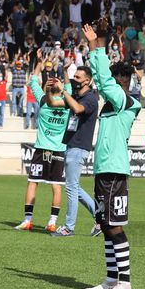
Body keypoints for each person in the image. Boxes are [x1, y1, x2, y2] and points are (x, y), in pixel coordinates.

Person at [81, 21, 141, 289]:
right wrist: (95, 48)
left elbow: (104, 79)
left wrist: (97, 45)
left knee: (115, 225)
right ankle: (110, 279)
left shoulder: (127, 101)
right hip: (103, 169)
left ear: (122, 83)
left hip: (116, 171)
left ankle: (125, 284)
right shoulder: (111, 103)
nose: (108, 87)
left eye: (115, 83)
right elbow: (103, 80)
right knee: (104, 225)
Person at [15, 60, 70, 233]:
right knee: (56, 186)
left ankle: (28, 220)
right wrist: (66, 73)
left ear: (47, 88)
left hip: (41, 148)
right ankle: (52, 222)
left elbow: (32, 81)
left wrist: (38, 63)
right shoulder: (67, 103)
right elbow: (69, 88)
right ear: (60, 89)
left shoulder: (44, 101)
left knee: (33, 182)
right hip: (59, 149)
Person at [53, 65, 101, 237]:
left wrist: (63, 91)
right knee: (74, 188)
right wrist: (65, 75)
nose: (75, 80)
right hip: (72, 146)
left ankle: (68, 227)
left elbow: (78, 109)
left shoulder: (90, 99)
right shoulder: (77, 96)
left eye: (78, 78)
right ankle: (100, 218)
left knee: (71, 188)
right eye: (75, 77)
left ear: (88, 81)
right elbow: (54, 102)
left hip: (79, 148)